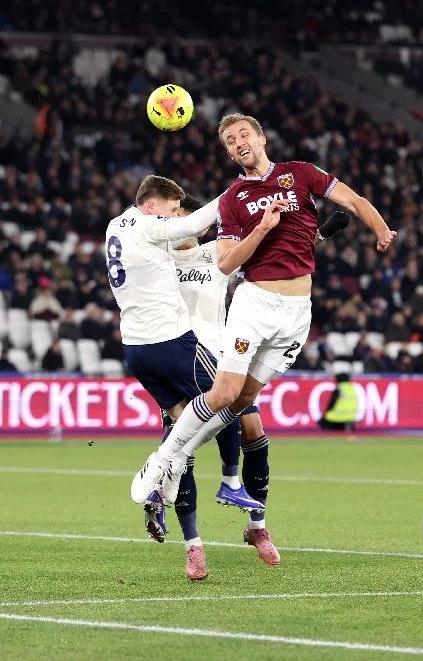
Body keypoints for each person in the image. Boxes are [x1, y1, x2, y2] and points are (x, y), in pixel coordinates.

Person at [132, 113, 395, 510]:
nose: (239, 142)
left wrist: (379, 229)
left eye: (244, 134)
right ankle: (164, 460)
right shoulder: (233, 199)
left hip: (297, 312)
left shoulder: (301, 174)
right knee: (224, 394)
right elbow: (224, 263)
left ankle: (185, 457)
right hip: (254, 303)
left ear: (261, 138)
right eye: (230, 141)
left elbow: (353, 200)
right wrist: (261, 229)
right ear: (229, 153)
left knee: (241, 404)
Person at [108, 176, 265, 579]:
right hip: (179, 348)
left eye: (181, 213)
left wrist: (315, 235)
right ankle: (193, 545)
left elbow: (258, 251)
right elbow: (177, 227)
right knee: (198, 434)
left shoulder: (214, 253)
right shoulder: (157, 244)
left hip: (188, 351)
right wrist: (238, 189)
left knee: (243, 418)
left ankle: (249, 514)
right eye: (171, 211)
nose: (174, 220)